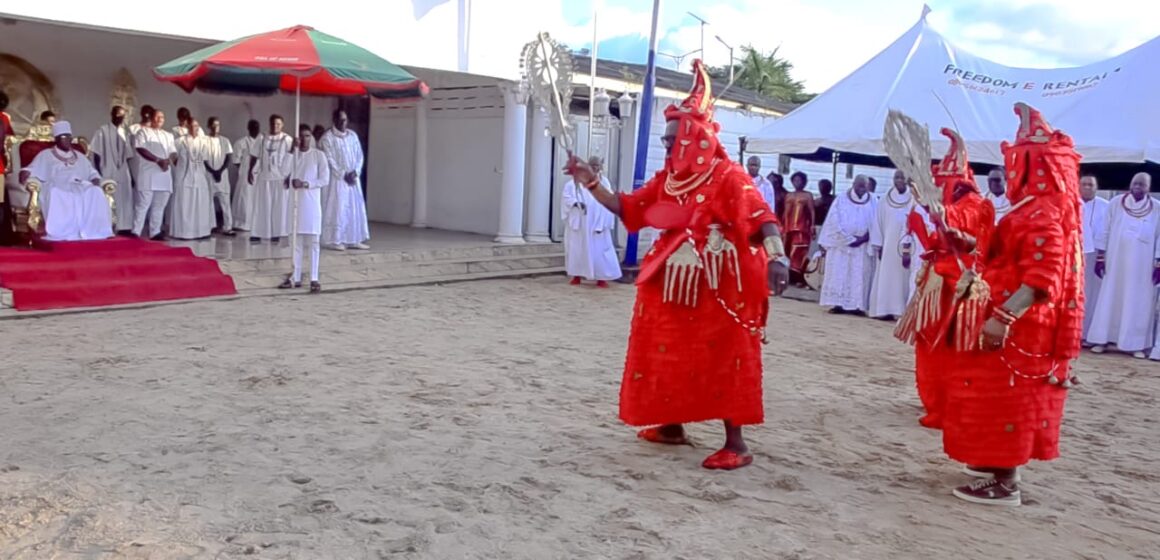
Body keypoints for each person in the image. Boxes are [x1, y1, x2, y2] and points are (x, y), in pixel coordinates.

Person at [563, 59, 789, 470]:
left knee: (724, 354)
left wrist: (777, 256)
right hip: (668, 279)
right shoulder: (667, 179)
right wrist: (590, 181)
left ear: (695, 137)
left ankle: (735, 443)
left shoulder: (728, 175)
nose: (666, 147)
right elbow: (627, 208)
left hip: (719, 282)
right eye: (666, 140)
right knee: (664, 347)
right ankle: (671, 423)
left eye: (672, 139)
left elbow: (761, 217)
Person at [942, 103, 1083, 507]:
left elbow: (1042, 278)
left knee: (1008, 398)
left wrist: (1003, 318)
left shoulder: (1043, 213)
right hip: (1007, 318)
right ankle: (991, 464)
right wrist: (964, 242)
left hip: (1022, 326)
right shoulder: (1032, 209)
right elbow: (1001, 253)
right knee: (989, 394)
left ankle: (1006, 482)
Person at [895, 127, 995, 430]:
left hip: (958, 288)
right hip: (938, 282)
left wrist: (931, 209)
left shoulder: (976, 205)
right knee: (930, 343)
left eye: (942, 183)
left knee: (950, 346)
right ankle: (936, 399)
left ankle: (948, 403)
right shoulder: (959, 205)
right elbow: (940, 238)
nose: (939, 188)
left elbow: (962, 234)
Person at [1086, 172, 1159, 358]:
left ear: (1148, 188)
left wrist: (1158, 262)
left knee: (1138, 303)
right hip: (1115, 262)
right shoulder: (1116, 203)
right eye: (1135, 183)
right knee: (1109, 298)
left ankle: (1135, 345)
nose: (1137, 187)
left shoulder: (1157, 208)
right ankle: (1102, 340)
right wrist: (1101, 257)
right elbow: (1105, 229)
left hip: (1142, 268)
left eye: (1142, 185)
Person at [18, 122, 113, 241]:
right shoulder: (46, 155)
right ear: (56, 139)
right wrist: (25, 175)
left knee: (96, 192)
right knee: (57, 194)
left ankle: (95, 231)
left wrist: (96, 180)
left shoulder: (79, 156)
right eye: (64, 137)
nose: (67, 140)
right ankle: (62, 232)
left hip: (80, 185)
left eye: (69, 137)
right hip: (57, 185)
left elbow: (92, 173)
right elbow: (29, 169)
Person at [280, 124, 329, 294]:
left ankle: (314, 278)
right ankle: (296, 276)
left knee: (314, 243)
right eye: (301, 136)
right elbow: (283, 172)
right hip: (295, 205)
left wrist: (306, 184)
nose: (305, 139)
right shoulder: (293, 156)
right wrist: (290, 151)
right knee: (297, 243)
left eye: (308, 136)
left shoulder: (318, 156)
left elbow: (324, 179)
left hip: (312, 205)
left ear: (312, 137)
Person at [818, 175, 874, 314]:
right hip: (841, 246)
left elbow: (877, 223)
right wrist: (848, 239)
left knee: (859, 275)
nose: (861, 189)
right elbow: (833, 221)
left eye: (864, 186)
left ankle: (858, 306)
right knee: (840, 273)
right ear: (853, 184)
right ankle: (838, 304)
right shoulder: (841, 199)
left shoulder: (873, 200)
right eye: (859, 185)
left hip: (862, 246)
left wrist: (863, 238)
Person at [561, 156, 621, 287]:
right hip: (581, 222)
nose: (595, 169)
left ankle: (601, 278)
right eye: (593, 166)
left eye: (597, 167)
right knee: (577, 249)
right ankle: (576, 275)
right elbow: (567, 197)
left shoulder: (604, 182)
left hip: (597, 223)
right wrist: (576, 203)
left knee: (599, 250)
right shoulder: (575, 182)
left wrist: (604, 222)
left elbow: (609, 200)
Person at [868, 170, 916, 320]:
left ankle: (900, 311)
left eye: (902, 177)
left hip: (907, 246)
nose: (899, 180)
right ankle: (883, 309)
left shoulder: (914, 198)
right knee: (886, 276)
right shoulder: (885, 200)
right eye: (896, 177)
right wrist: (879, 244)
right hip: (888, 245)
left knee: (903, 277)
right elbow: (877, 222)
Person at [320, 109, 370, 250]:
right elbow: (329, 159)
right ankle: (334, 240)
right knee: (338, 208)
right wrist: (343, 174)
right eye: (340, 120)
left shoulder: (352, 136)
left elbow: (360, 155)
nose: (343, 123)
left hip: (353, 179)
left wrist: (356, 172)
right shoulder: (327, 138)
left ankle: (353, 239)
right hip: (337, 180)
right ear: (334, 120)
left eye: (345, 120)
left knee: (354, 208)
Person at [131, 109, 176, 240]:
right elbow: (140, 149)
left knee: (159, 205)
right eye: (157, 117)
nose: (160, 119)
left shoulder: (168, 135)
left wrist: (171, 159)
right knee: (143, 204)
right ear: (151, 118)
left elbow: (172, 151)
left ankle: (155, 232)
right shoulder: (143, 132)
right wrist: (158, 160)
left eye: (162, 117)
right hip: (148, 174)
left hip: (164, 174)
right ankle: (136, 232)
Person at [248, 114, 293, 243]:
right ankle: (257, 232)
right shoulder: (262, 137)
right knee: (261, 206)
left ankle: (277, 233)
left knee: (279, 207)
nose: (275, 126)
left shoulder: (287, 139)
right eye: (273, 124)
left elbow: (292, 159)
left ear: (282, 125)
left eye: (278, 124)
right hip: (264, 177)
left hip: (280, 178)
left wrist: (289, 176)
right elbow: (254, 155)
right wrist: (250, 171)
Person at [90, 105, 134, 233]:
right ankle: (109, 225)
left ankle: (124, 226)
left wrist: (131, 175)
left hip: (123, 170)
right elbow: (96, 153)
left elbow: (128, 156)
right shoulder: (102, 131)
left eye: (122, 116)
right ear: (112, 115)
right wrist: (98, 172)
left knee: (125, 197)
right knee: (110, 198)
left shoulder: (125, 133)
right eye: (118, 115)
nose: (120, 118)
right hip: (107, 168)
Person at [169, 119, 213, 240]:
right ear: (187, 126)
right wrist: (179, 165)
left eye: (197, 126)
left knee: (200, 203)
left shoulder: (204, 141)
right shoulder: (179, 141)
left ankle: (201, 231)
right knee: (184, 203)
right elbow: (172, 155)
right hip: (184, 176)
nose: (195, 128)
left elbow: (206, 158)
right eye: (192, 126)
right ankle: (183, 232)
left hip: (199, 175)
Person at [1079, 176, 1109, 341]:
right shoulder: (1072, 203)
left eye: (1091, 184)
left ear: (1096, 187)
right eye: (1084, 184)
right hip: (1076, 254)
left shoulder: (1105, 206)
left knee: (1093, 295)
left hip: (1096, 256)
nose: (1087, 187)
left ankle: (1090, 334)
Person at [782, 171, 816, 287]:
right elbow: (785, 212)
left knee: (798, 252)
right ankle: (788, 277)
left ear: (804, 182)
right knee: (785, 251)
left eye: (800, 180)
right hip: (788, 227)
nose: (797, 183)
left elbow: (811, 211)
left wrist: (812, 225)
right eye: (795, 180)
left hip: (801, 228)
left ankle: (798, 277)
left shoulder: (807, 195)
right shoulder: (788, 195)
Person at [204, 117, 234, 235]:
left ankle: (228, 227)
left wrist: (220, 171)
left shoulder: (225, 141)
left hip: (222, 176)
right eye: (213, 125)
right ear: (208, 126)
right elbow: (203, 159)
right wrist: (213, 171)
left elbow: (228, 158)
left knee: (225, 203)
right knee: (208, 203)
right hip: (209, 175)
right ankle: (210, 227)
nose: (216, 128)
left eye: (218, 125)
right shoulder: (204, 140)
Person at [232, 120, 262, 233]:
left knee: (256, 198)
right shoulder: (241, 142)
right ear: (248, 128)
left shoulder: (263, 142)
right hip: (245, 174)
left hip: (259, 174)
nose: (255, 129)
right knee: (244, 198)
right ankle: (242, 223)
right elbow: (236, 160)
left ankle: (256, 222)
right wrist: (245, 170)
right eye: (253, 127)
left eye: (257, 127)